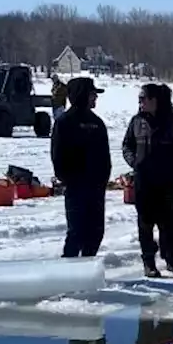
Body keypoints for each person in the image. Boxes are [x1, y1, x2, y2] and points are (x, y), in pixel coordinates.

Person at [123, 83, 173, 278]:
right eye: (139, 99)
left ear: (155, 100)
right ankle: (149, 262)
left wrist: (172, 163)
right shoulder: (137, 121)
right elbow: (127, 145)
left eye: (144, 99)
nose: (141, 102)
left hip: (166, 179)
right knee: (145, 223)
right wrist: (134, 162)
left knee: (167, 223)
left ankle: (170, 260)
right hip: (143, 180)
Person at [51, 77, 111, 258]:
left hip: (96, 188)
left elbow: (105, 156)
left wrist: (102, 180)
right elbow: (57, 156)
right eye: (93, 94)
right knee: (76, 232)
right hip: (75, 187)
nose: (95, 98)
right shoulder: (64, 122)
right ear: (82, 95)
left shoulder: (97, 122)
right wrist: (68, 179)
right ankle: (68, 272)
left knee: (96, 232)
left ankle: (87, 266)